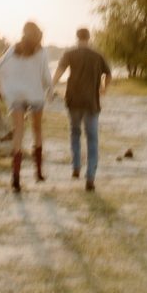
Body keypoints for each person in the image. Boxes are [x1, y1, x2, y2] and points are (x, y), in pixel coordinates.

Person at [0, 21, 53, 193]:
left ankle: (15, 178)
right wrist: (49, 90)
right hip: (35, 96)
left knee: (18, 133)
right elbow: (45, 76)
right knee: (37, 131)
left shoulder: (13, 50)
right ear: (38, 34)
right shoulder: (42, 52)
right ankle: (38, 173)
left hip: (15, 96)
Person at [51, 28, 111, 192]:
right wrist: (104, 89)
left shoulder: (70, 53)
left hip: (73, 101)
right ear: (89, 38)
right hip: (91, 102)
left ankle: (76, 167)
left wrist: (51, 87)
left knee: (75, 133)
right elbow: (108, 73)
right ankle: (90, 176)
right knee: (92, 139)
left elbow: (59, 71)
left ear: (77, 37)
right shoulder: (97, 55)